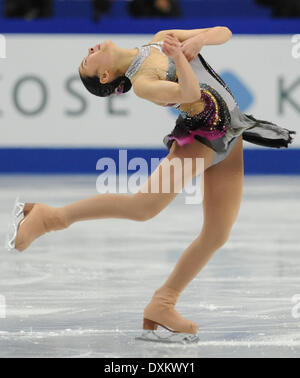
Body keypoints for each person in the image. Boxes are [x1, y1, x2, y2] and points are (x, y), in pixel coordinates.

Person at [6, 27, 296, 343]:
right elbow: (189, 95)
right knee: (143, 207)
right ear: (105, 76)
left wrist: (197, 41)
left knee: (216, 234)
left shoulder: (161, 37)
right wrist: (180, 59)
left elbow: (224, 32)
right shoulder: (143, 84)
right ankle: (51, 217)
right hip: (199, 139)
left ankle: (162, 303)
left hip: (232, 135)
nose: (89, 50)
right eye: (87, 61)